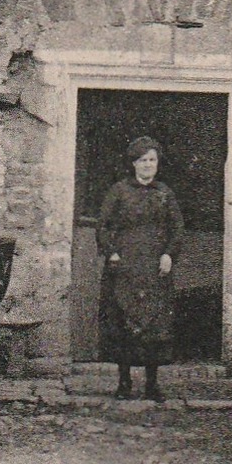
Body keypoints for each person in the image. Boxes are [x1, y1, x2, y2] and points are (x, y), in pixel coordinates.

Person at [98, 135, 184, 402]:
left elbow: (177, 228)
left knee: (155, 326)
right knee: (124, 323)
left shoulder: (165, 194)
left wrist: (169, 254)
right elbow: (104, 225)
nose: (148, 165)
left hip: (155, 268)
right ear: (134, 164)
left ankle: (152, 385)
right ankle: (123, 384)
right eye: (143, 160)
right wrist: (111, 251)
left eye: (152, 160)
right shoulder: (119, 191)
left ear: (158, 163)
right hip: (125, 267)